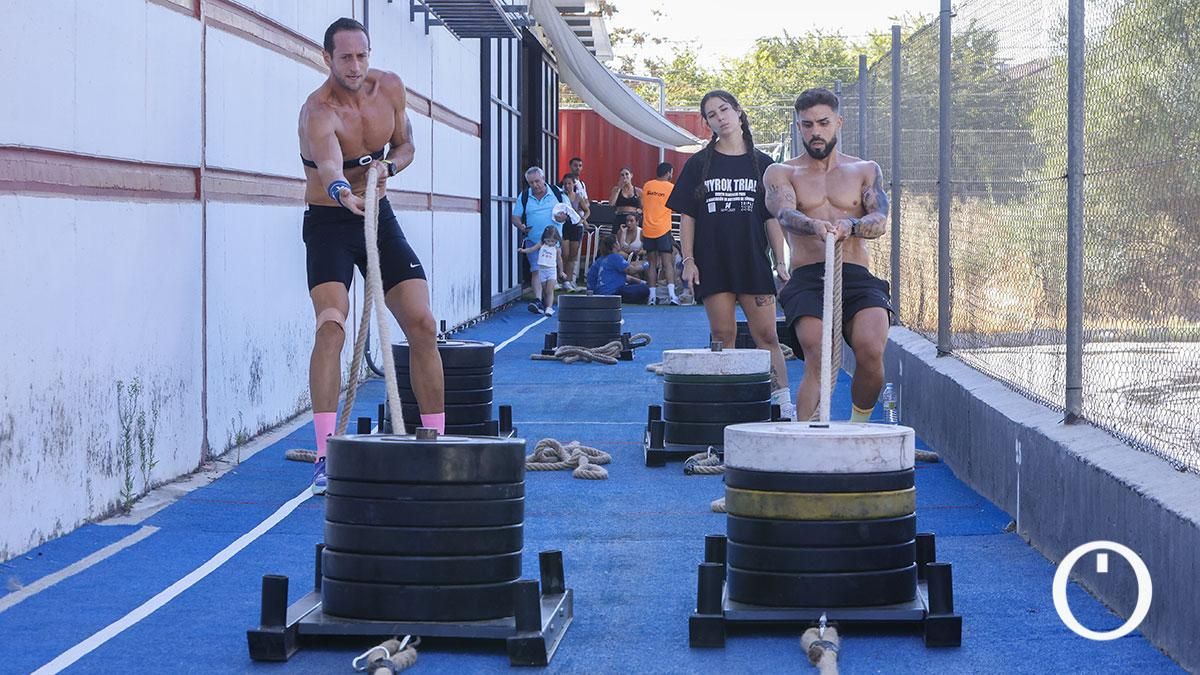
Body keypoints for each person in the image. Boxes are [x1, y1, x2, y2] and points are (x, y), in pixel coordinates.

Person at [298, 17, 444, 494]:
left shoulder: (391, 89)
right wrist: (343, 192)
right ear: (327, 59)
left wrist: (390, 167)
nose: (356, 65)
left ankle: (435, 442)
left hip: (378, 215)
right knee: (332, 326)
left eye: (362, 55)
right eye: (345, 57)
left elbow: (406, 145)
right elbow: (329, 167)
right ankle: (324, 453)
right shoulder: (318, 112)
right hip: (331, 222)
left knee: (423, 324)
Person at [764, 87, 893, 422]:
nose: (815, 131)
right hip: (808, 278)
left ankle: (856, 427)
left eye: (822, 123)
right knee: (819, 354)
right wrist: (814, 225)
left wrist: (851, 224)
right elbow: (783, 213)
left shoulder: (865, 170)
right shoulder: (782, 173)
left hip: (855, 275)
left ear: (838, 122)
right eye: (806, 125)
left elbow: (879, 221)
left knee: (871, 349)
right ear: (799, 127)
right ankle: (804, 441)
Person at [666, 89, 793, 418]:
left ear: (738, 112)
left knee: (767, 335)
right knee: (723, 335)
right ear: (707, 123)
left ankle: (783, 405)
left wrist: (780, 262)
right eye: (711, 114)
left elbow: (772, 220)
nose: (720, 117)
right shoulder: (698, 164)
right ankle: (728, 405)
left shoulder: (764, 165)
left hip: (752, 264)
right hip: (714, 265)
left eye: (724, 109)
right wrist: (689, 260)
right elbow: (687, 217)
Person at [510, 167, 578, 310]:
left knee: (549, 273)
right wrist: (521, 226)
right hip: (533, 239)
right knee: (536, 269)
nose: (535, 185)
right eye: (531, 183)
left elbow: (569, 212)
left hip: (552, 242)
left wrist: (563, 218)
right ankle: (537, 300)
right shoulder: (524, 196)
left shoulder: (558, 194)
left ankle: (547, 302)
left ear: (543, 179)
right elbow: (515, 216)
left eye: (537, 181)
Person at [641, 162, 680, 305]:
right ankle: (672, 296)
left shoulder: (647, 185)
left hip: (648, 229)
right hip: (663, 229)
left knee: (651, 263)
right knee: (667, 263)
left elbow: (644, 203)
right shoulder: (671, 187)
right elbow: (676, 207)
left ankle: (651, 296)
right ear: (669, 172)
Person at [586, 235, 650, 304]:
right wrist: (647, 264)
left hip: (599, 292)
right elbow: (631, 270)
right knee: (644, 289)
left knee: (636, 287)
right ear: (615, 245)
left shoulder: (601, 260)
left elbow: (627, 278)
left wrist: (643, 282)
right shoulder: (615, 257)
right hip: (613, 292)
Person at [517, 223, 565, 315]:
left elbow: (559, 260)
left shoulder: (557, 249)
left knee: (549, 290)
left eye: (552, 241)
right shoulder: (541, 245)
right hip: (542, 271)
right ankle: (543, 306)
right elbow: (531, 249)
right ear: (544, 239)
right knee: (544, 291)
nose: (550, 243)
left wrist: (561, 271)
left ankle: (549, 308)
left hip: (551, 271)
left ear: (556, 240)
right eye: (548, 241)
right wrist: (523, 250)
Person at [559, 173, 590, 291]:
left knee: (573, 255)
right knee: (564, 254)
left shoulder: (578, 197)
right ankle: (561, 278)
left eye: (569, 183)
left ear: (573, 184)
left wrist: (582, 220)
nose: (567, 186)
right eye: (565, 184)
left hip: (576, 227)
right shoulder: (561, 196)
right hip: (564, 226)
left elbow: (587, 211)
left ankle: (569, 281)